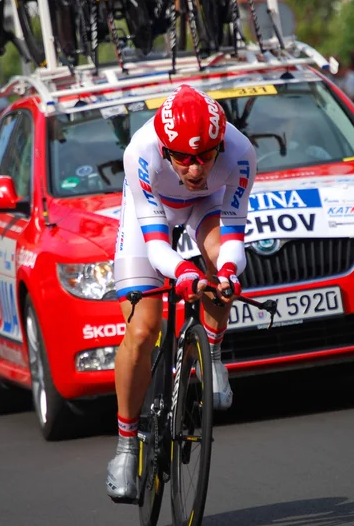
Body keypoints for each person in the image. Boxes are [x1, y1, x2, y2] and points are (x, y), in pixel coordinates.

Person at [106, 83, 257, 503]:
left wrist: (224, 271)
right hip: (148, 219)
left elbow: (233, 235)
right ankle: (125, 445)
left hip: (206, 207)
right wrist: (187, 275)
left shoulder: (241, 152)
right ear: (165, 150)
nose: (195, 170)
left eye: (206, 156)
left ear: (220, 144)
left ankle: (212, 352)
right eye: (183, 159)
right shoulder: (140, 151)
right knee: (142, 330)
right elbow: (156, 248)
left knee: (220, 278)